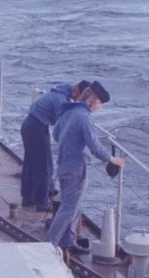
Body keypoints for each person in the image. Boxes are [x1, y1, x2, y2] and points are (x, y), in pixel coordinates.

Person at [44, 82, 124, 255]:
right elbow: (94, 146)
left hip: (63, 165)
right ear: (90, 99)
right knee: (68, 209)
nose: (99, 107)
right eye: (99, 103)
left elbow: (56, 135)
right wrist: (112, 159)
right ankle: (48, 245)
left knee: (71, 205)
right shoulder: (84, 117)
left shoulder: (68, 110)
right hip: (76, 169)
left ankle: (68, 241)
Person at [21, 80, 92, 211]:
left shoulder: (61, 92)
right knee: (43, 165)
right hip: (37, 128)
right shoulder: (60, 99)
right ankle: (41, 202)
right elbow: (63, 124)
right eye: (81, 98)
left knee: (31, 163)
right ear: (75, 92)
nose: (80, 101)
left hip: (31, 124)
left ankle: (28, 197)